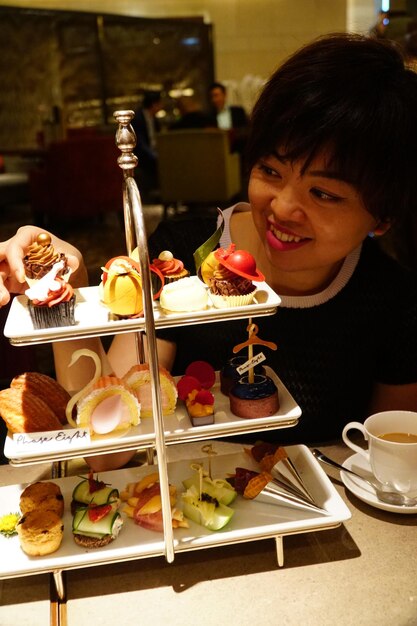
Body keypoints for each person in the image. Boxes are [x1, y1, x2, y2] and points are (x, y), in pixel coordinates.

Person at [1, 34, 417, 463]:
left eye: (325, 194)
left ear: (383, 217)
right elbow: (108, 455)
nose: (283, 207)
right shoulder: (178, 258)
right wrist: (68, 290)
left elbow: (392, 463)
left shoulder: (395, 300)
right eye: (271, 170)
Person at [131, 91, 163, 202]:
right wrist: (154, 155)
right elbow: (140, 143)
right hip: (140, 154)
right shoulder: (138, 118)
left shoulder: (153, 118)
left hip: (152, 150)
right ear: (154, 104)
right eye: (160, 103)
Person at [209, 81, 249, 154]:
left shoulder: (238, 111)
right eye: (212, 96)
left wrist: (231, 132)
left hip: (238, 150)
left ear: (224, 95)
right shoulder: (210, 116)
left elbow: (246, 130)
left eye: (216, 95)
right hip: (218, 151)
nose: (214, 100)